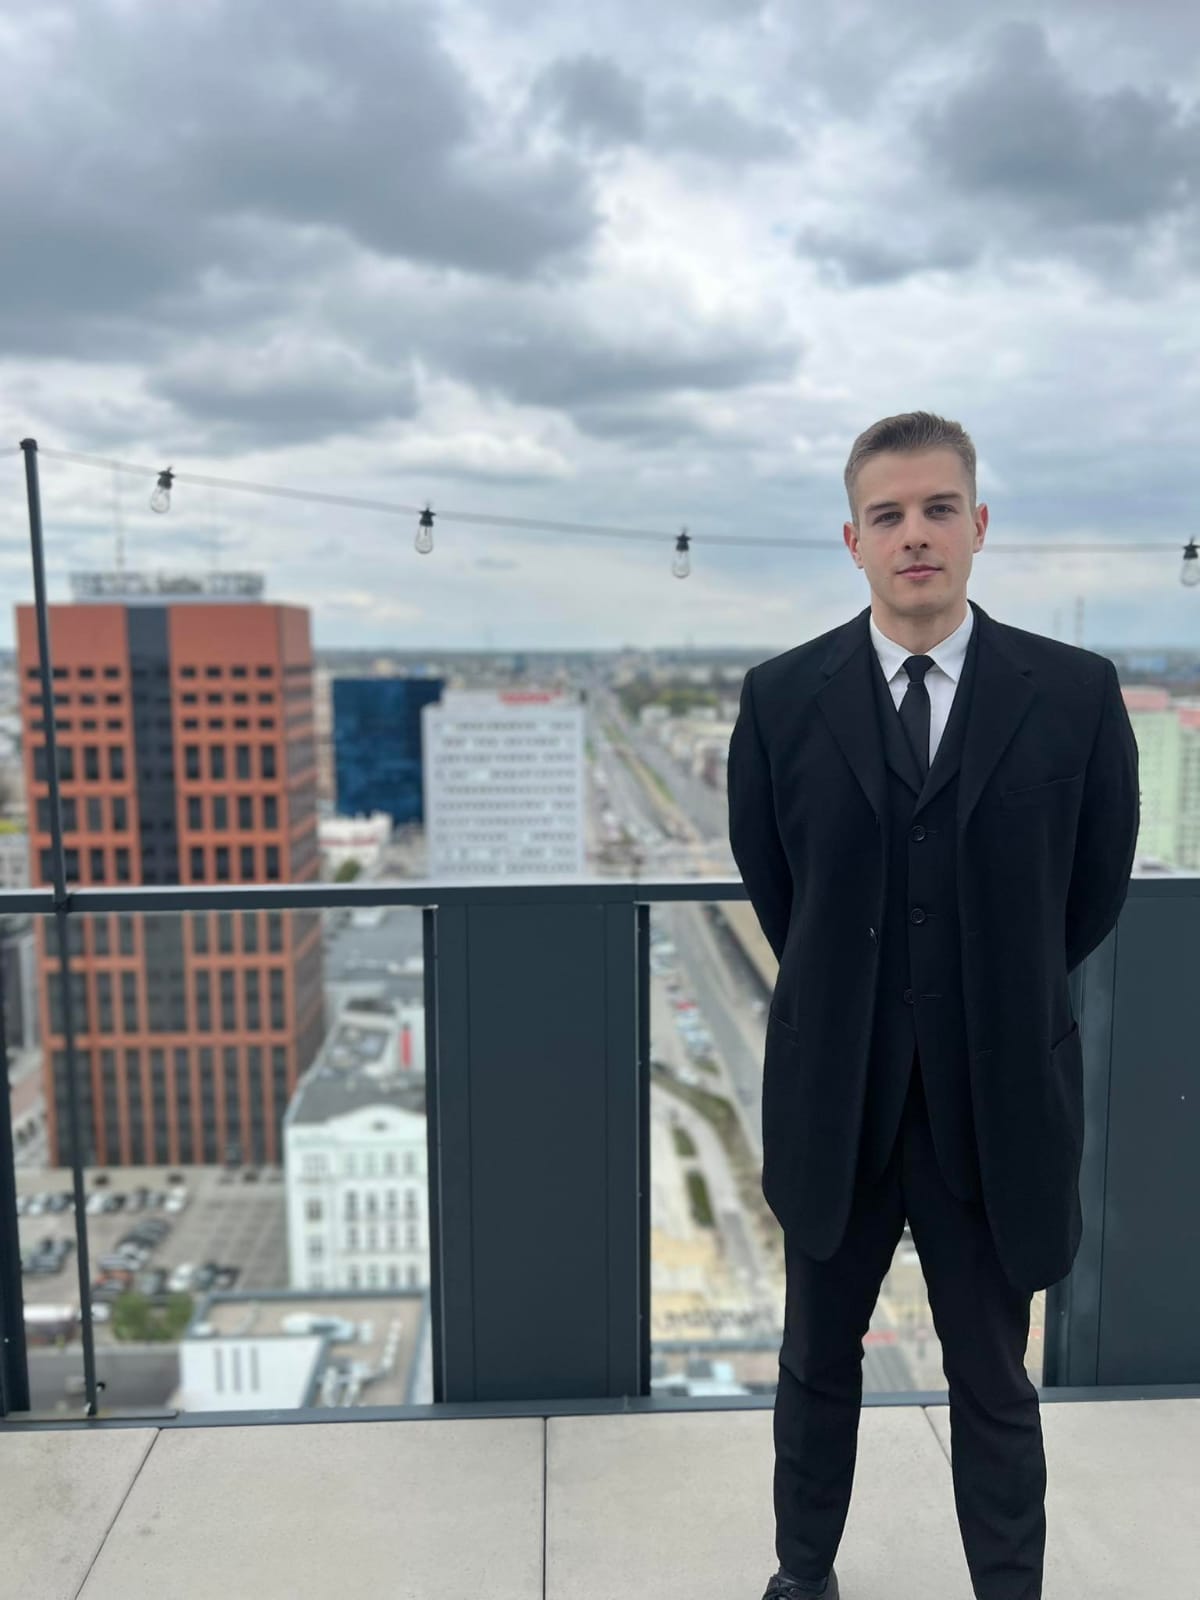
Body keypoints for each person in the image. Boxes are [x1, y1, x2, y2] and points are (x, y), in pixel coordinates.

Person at [726, 411, 1140, 1600]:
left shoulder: (1071, 694)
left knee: (994, 1381)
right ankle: (803, 1578)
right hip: (837, 1097)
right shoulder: (781, 696)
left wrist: (987, 990)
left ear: (979, 526)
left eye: (939, 509)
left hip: (993, 1094)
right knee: (814, 1365)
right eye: (891, 515)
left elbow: (1093, 886)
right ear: (852, 539)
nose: (917, 535)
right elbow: (778, 882)